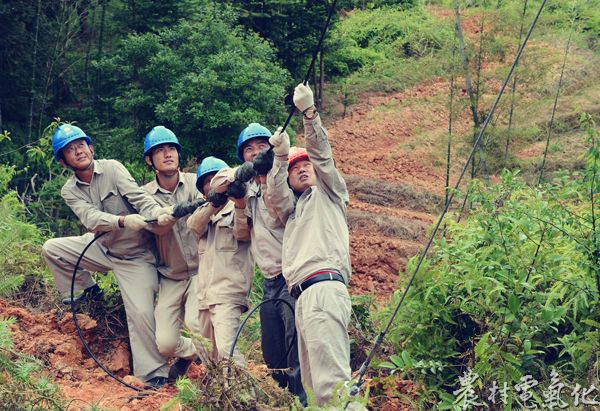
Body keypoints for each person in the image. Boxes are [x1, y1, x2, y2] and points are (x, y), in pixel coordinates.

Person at [41, 124, 171, 388]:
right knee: (52, 249)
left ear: (90, 147)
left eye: (80, 145)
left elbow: (139, 197)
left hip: (134, 256)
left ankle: (153, 373)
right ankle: (87, 294)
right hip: (101, 245)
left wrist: (157, 213)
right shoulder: (70, 189)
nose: (77, 151)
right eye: (69, 149)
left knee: (142, 312)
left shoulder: (112, 168)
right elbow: (90, 218)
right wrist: (122, 221)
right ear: (63, 160)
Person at [266, 84, 355, 406]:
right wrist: (278, 157)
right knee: (314, 385)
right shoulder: (292, 211)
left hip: (323, 286)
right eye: (294, 168)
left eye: (305, 165)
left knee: (332, 382)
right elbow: (274, 195)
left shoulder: (329, 193)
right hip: (304, 297)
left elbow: (322, 155)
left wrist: (309, 114)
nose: (302, 168)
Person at [210, 123, 306, 403]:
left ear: (272, 149)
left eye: (261, 147)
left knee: (294, 348)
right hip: (269, 281)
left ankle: (302, 402)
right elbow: (220, 187)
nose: (255, 153)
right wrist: (240, 197)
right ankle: (283, 397)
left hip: (291, 277)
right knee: (273, 352)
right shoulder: (246, 187)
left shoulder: (283, 181)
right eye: (248, 150)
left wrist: (270, 171)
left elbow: (280, 213)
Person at [141, 126, 202, 381]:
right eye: (160, 150)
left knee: (198, 325)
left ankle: (219, 373)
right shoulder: (143, 195)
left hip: (202, 271)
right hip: (171, 275)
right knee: (165, 343)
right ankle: (195, 353)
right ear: (149, 160)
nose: (167, 154)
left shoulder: (196, 181)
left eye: (171, 149)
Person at [186, 156, 253, 367]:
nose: (211, 183)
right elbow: (193, 226)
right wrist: (213, 203)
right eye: (206, 181)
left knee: (227, 351)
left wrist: (239, 202)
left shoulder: (240, 208)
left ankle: (243, 398)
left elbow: (243, 234)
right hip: (205, 295)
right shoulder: (206, 213)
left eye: (215, 179)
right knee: (208, 354)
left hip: (228, 292)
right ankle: (218, 397)